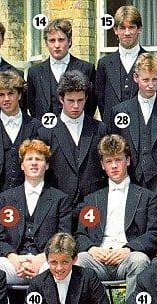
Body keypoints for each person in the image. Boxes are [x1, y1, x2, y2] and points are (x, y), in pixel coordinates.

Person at [75, 134, 157, 296]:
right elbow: (80, 234)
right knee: (79, 260)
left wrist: (129, 248)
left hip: (127, 258)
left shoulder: (146, 196)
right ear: (102, 165)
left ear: (127, 161)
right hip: (98, 259)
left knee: (140, 260)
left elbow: (154, 234)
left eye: (118, 160)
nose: (114, 166)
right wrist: (92, 249)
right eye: (108, 161)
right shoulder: (92, 199)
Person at [0, 139, 72, 285]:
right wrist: (13, 257)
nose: (34, 163)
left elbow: (63, 236)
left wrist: (43, 258)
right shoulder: (4, 199)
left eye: (39, 159)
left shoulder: (60, 199)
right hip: (14, 263)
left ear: (46, 166)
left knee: (59, 269)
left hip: (46, 261)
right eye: (29, 159)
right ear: (22, 165)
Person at [106, 53, 157, 206]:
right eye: (145, 80)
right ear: (136, 78)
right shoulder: (119, 111)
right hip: (132, 180)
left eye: (154, 79)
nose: (150, 85)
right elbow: (114, 149)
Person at [36, 70, 105, 206]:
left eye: (80, 100)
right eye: (70, 100)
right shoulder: (45, 133)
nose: (75, 106)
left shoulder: (100, 129)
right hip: (59, 206)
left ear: (86, 98)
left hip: (93, 205)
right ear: (61, 99)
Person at [95, 5, 157, 123]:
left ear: (139, 28)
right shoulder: (104, 64)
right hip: (112, 131)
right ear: (115, 30)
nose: (127, 32)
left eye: (131, 27)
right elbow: (100, 99)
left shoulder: (156, 63)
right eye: (122, 28)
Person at [0, 71, 38, 197]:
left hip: (29, 197)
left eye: (11, 93)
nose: (6, 99)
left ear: (19, 95)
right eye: (1, 95)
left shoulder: (36, 126)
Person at [26, 18, 96, 121]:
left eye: (61, 40)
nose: (57, 45)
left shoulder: (86, 69)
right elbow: (32, 106)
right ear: (46, 43)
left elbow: (90, 105)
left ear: (69, 41)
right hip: (43, 132)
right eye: (52, 40)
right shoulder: (34, 72)